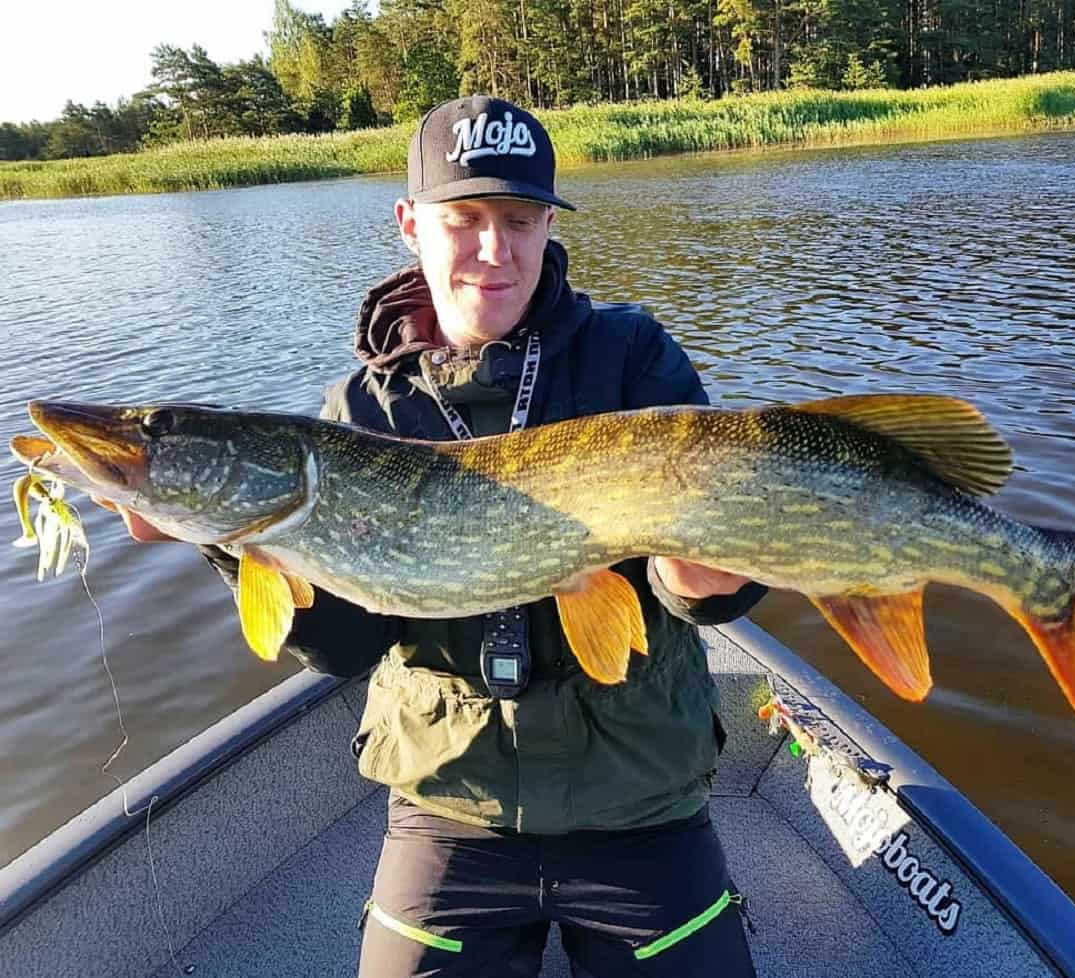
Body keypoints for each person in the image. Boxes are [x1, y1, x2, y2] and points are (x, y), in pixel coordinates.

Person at [112, 95, 766, 978]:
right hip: (452, 804)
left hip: (640, 794)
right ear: (410, 222)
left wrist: (705, 581)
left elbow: (704, 586)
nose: (494, 251)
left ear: (545, 225)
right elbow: (348, 646)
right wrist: (229, 542)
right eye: (463, 219)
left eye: (519, 219)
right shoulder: (363, 411)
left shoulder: (631, 357)